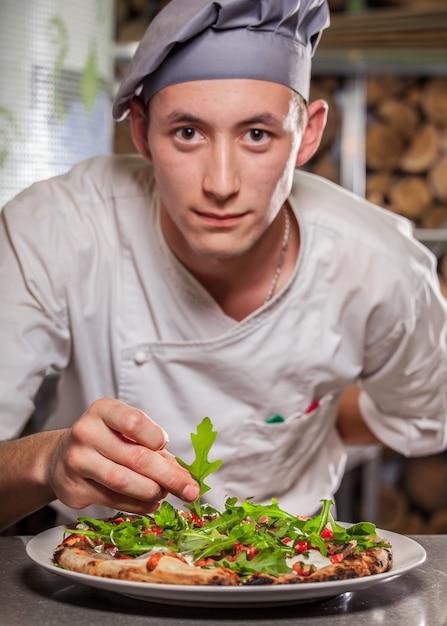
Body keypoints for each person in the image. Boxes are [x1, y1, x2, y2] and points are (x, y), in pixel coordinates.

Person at [0, 0, 446, 533]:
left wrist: (297, 426)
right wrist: (46, 463)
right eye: (188, 132)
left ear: (307, 134)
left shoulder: (383, 267)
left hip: (289, 568)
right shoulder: (57, 227)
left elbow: (420, 414)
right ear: (140, 131)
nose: (220, 183)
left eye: (257, 134)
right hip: (97, 558)